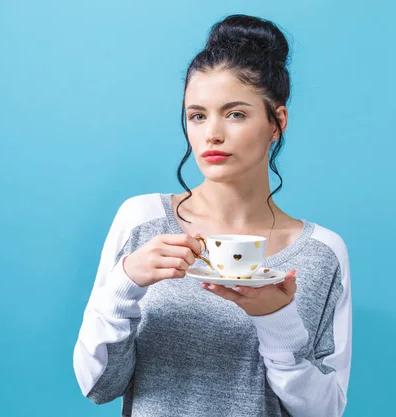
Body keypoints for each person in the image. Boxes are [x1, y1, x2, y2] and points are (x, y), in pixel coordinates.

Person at [73, 14, 352, 417]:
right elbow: (97, 386)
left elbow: (325, 412)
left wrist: (276, 319)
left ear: (277, 123)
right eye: (197, 115)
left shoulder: (322, 253)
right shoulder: (142, 220)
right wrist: (125, 282)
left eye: (235, 114)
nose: (212, 134)